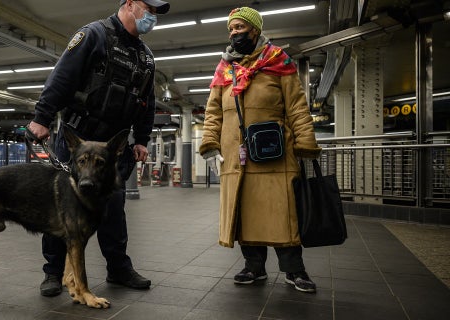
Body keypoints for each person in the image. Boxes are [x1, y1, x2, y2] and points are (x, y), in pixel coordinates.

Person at [27, 0, 170, 297]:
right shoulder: (94, 34)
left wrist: (142, 138)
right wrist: (42, 117)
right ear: (129, 3)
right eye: (150, 9)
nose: (152, 17)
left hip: (110, 149)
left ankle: (118, 268)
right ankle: (53, 272)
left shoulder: (146, 57)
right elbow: (62, 77)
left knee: (113, 208)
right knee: (61, 207)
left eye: (156, 13)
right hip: (77, 138)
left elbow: (146, 102)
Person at [198, 7, 322, 293]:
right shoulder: (225, 68)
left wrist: (305, 144)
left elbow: (297, 108)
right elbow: (213, 111)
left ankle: (294, 270)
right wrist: (210, 145)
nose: (234, 33)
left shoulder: (279, 62)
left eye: (240, 27)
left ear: (255, 30)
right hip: (236, 157)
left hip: (274, 154)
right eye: (231, 28)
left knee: (282, 212)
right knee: (246, 213)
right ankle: (253, 267)